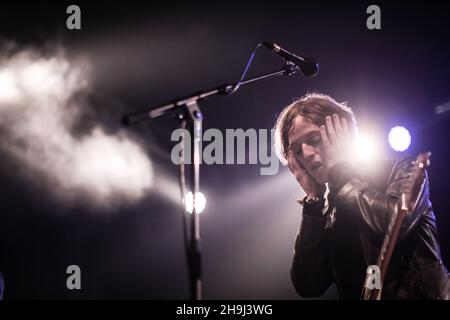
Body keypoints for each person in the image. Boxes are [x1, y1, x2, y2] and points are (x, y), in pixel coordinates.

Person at [274, 93, 449, 299]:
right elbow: (308, 284)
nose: (307, 154)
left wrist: (341, 173)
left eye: (314, 139)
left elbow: (394, 226)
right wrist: (313, 201)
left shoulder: (403, 169)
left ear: (342, 134)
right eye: (297, 151)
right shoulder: (331, 207)